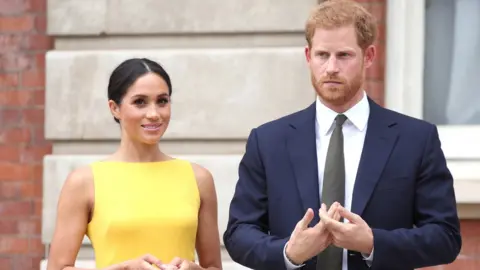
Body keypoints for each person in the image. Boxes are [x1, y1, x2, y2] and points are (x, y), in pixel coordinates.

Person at [223, 1, 462, 270]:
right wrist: (289, 252)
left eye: (344, 55)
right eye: (322, 55)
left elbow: (446, 237)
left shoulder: (416, 139)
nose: (331, 67)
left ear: (369, 56)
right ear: (307, 56)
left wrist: (372, 242)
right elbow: (238, 233)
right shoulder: (268, 141)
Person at [46, 58, 222, 270]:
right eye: (140, 102)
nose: (154, 114)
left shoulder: (198, 179)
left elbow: (213, 266)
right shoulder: (84, 182)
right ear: (114, 108)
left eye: (162, 101)